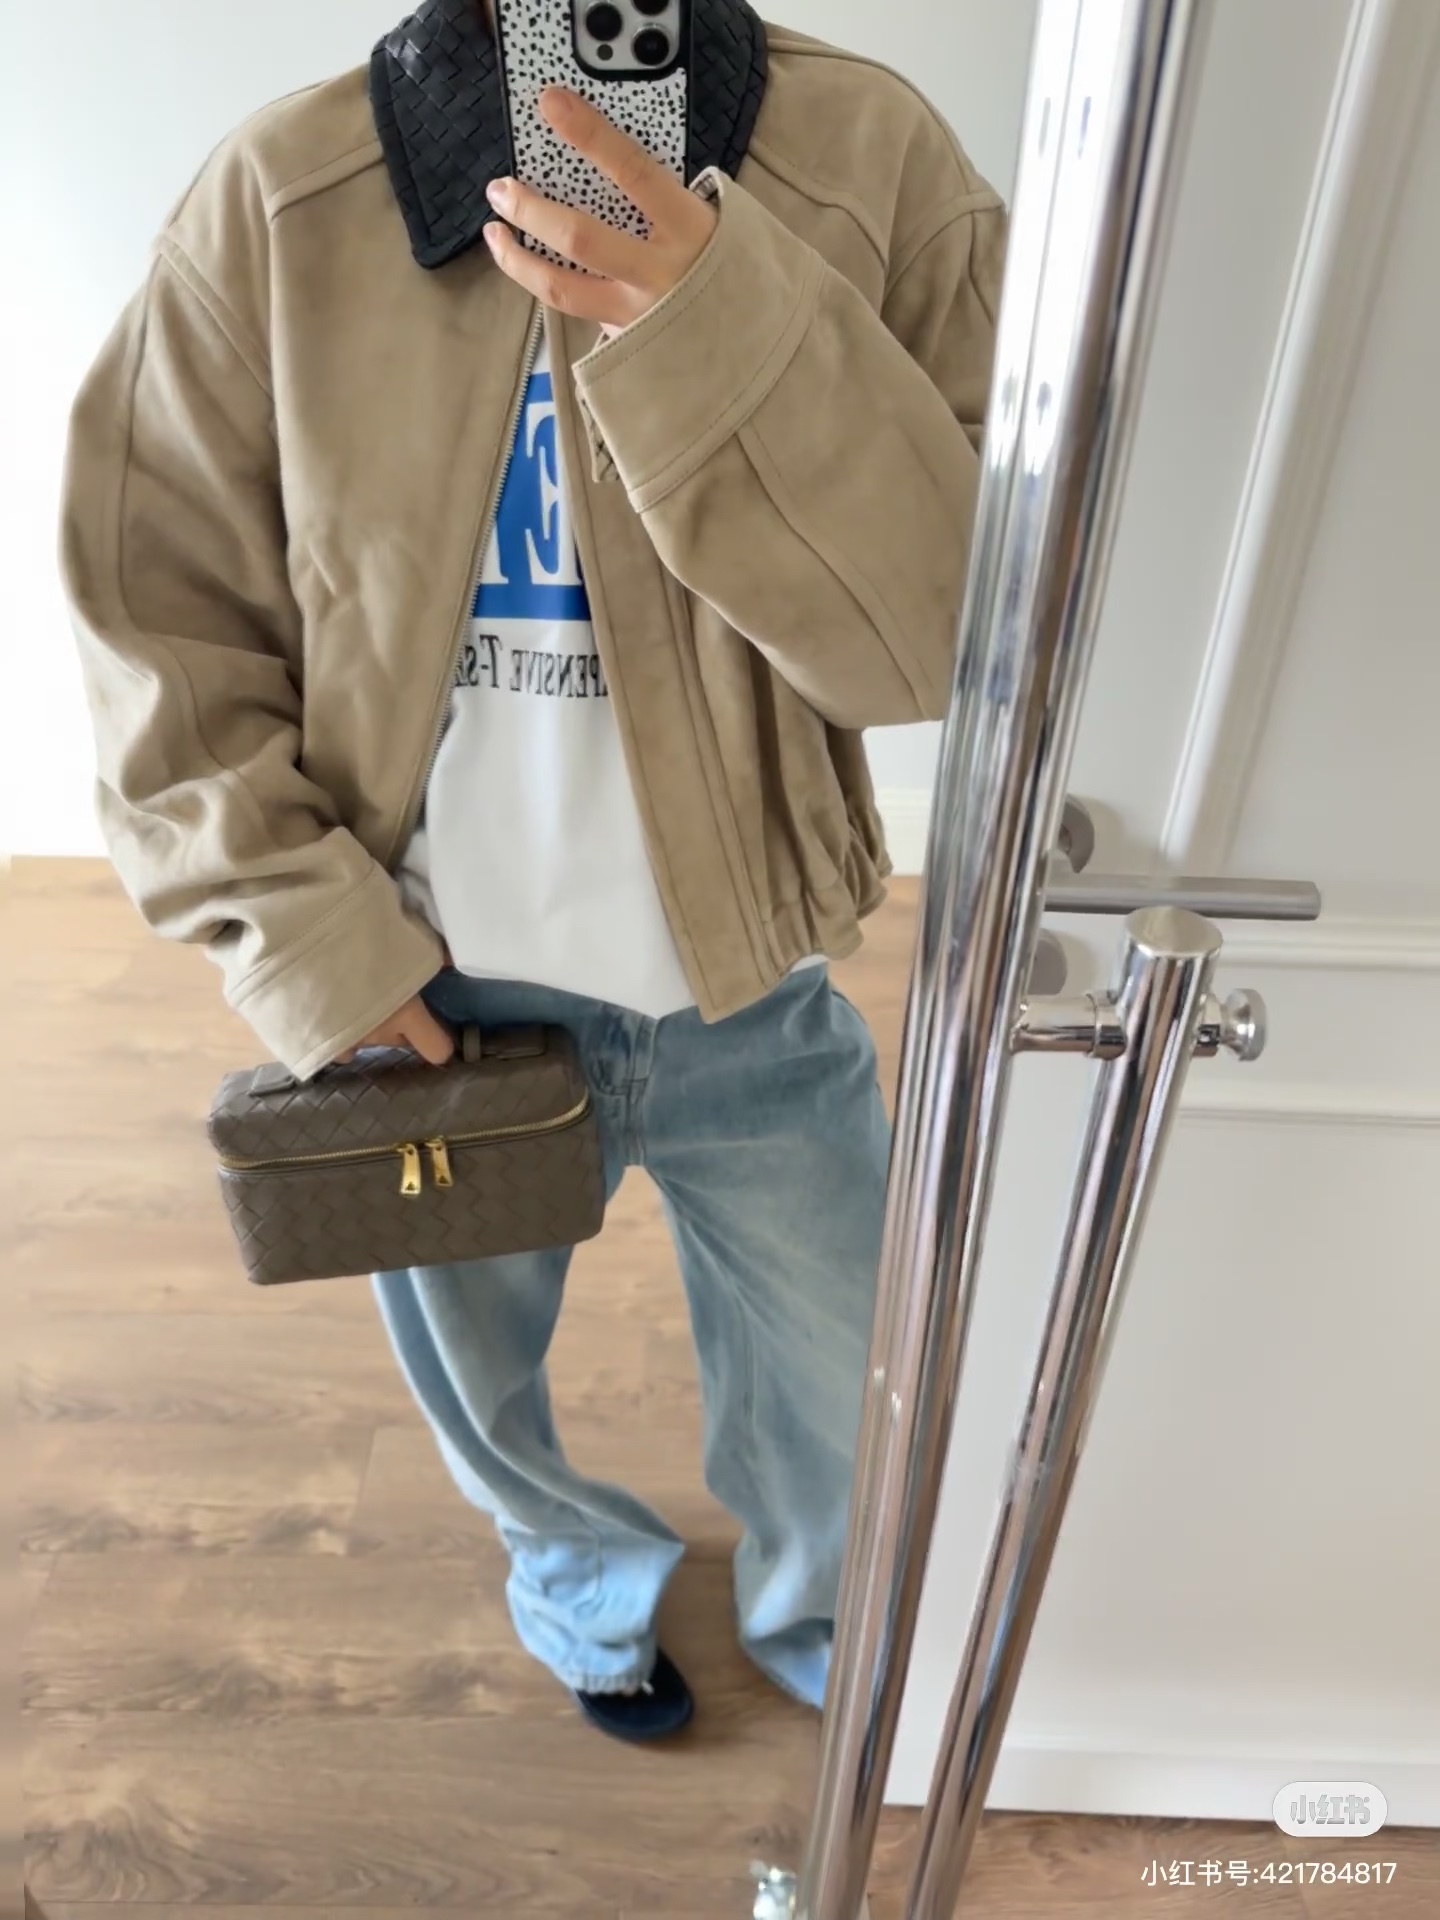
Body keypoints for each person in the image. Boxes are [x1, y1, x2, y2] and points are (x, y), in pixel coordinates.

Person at [60, 0, 1005, 1743]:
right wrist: (316, 951)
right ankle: (578, 1580)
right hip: (433, 988)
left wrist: (717, 308)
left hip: (753, 979)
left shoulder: (873, 163)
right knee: (476, 1379)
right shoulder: (282, 196)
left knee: (844, 1370)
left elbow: (940, 637)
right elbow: (162, 624)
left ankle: (823, 1610)